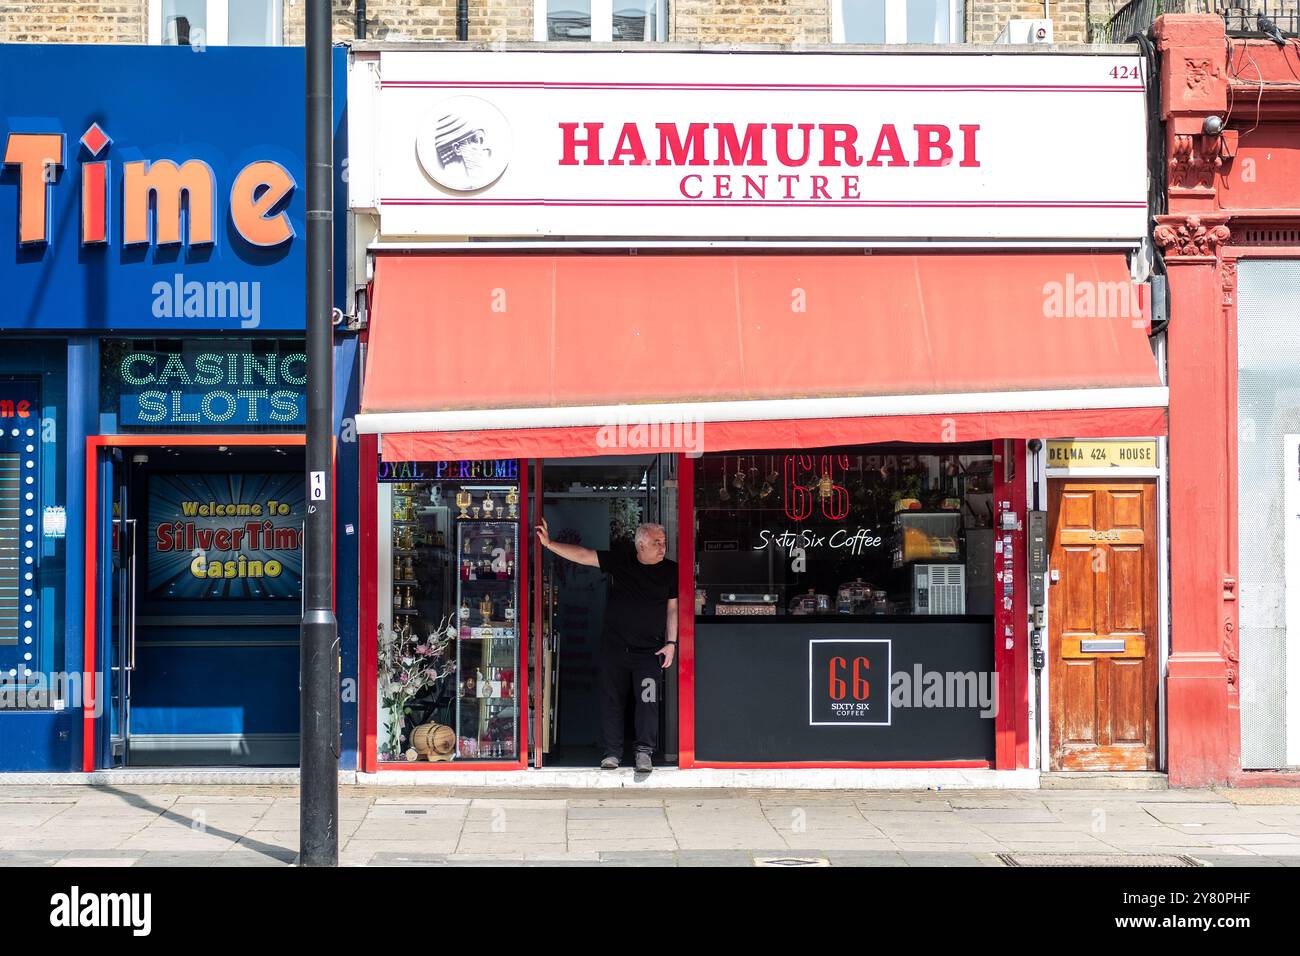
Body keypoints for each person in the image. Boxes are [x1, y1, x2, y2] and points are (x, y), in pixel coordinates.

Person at [535, 517, 678, 772]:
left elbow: (672, 610)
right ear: (641, 545)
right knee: (611, 701)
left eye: (663, 542)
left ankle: (644, 752)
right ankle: (612, 752)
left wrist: (671, 643)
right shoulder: (622, 561)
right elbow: (584, 555)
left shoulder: (670, 570)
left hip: (650, 652)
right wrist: (549, 544)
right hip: (614, 650)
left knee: (648, 703)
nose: (662, 546)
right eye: (657, 542)